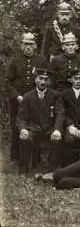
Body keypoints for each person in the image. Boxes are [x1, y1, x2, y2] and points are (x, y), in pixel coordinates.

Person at [6, 33, 47, 161]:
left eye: (30, 44)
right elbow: (8, 82)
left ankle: (35, 158)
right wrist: (16, 96)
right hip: (18, 100)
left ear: (35, 46)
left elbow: (46, 80)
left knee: (35, 126)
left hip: (35, 100)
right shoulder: (15, 61)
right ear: (21, 46)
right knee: (17, 126)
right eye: (25, 44)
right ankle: (16, 157)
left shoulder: (42, 61)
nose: (28, 47)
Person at [16, 68, 64, 174]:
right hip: (34, 128)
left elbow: (60, 114)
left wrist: (57, 129)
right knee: (24, 137)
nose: (43, 82)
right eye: (41, 78)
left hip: (50, 128)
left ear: (50, 82)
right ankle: (24, 170)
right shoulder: (27, 96)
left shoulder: (56, 95)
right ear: (35, 80)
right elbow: (21, 117)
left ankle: (52, 170)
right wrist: (23, 129)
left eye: (46, 79)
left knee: (57, 138)